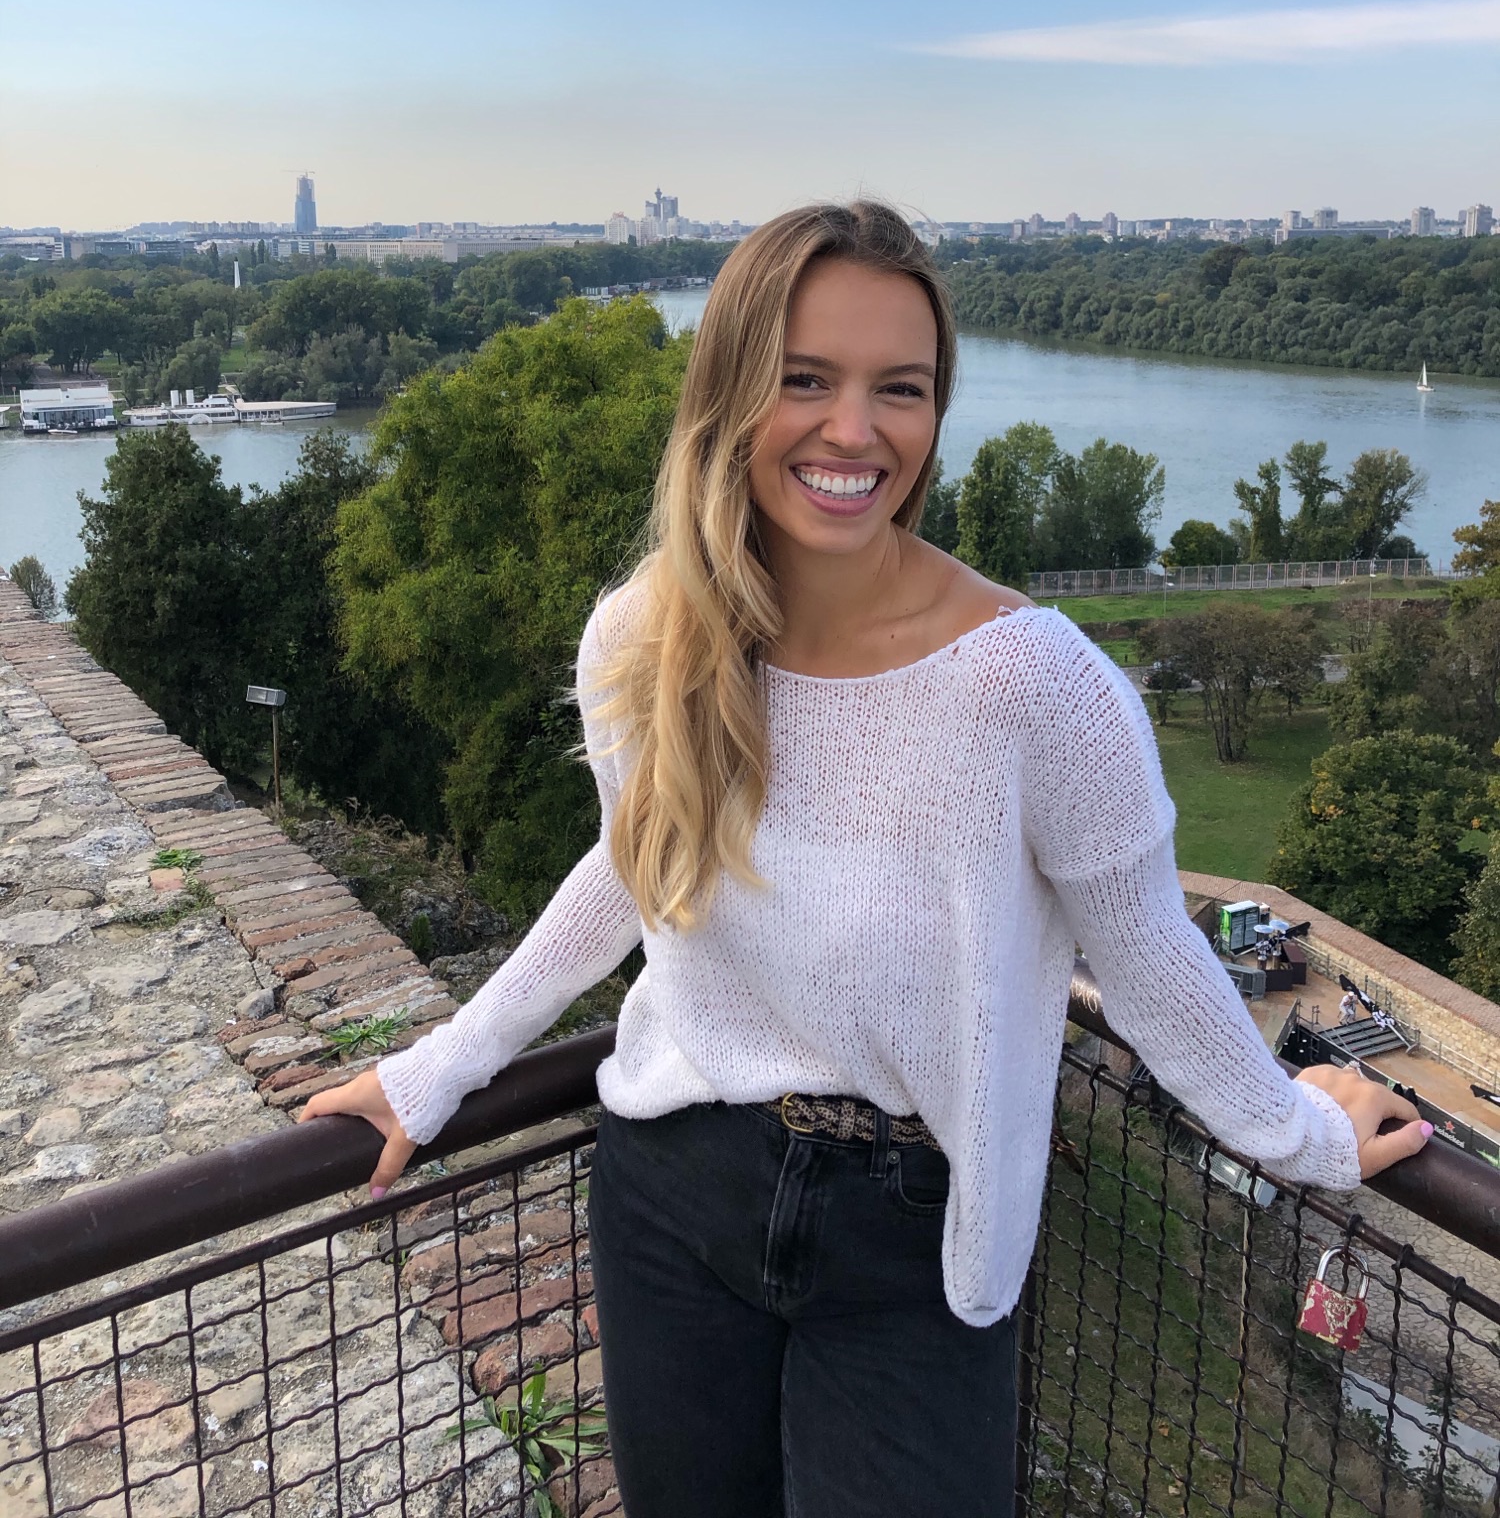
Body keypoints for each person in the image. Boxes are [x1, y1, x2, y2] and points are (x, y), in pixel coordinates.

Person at [303, 201, 1432, 1518]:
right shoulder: (646, 636)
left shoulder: (1037, 688)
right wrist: (438, 1070)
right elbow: (631, 867)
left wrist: (1305, 1135)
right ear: (727, 396)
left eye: (901, 387)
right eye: (805, 379)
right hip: (676, 1187)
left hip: (919, 1226)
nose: (855, 430)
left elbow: (1149, 962)